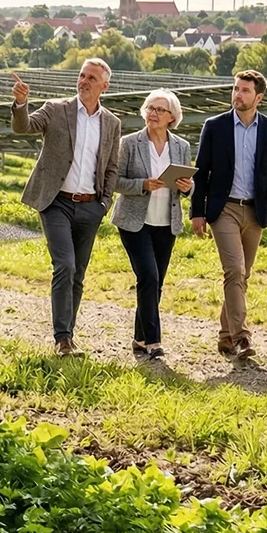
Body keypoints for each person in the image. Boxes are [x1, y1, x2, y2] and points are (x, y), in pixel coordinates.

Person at [10, 58, 122, 356]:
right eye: (82, 75)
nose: (84, 81)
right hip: (56, 202)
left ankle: (68, 336)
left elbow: (111, 167)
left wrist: (104, 203)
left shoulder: (111, 123)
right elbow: (25, 127)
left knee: (79, 273)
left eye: (91, 78)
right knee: (65, 265)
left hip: (90, 207)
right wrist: (21, 104)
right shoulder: (55, 108)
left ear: (104, 86)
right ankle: (62, 338)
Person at [189, 70, 267, 360]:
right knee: (234, 270)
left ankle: (224, 337)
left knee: (242, 275)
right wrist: (198, 212)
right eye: (235, 89)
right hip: (224, 209)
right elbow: (201, 171)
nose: (237, 95)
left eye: (245, 91)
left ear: (258, 97)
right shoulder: (215, 126)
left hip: (255, 211)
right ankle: (242, 337)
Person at [111, 89, 193, 360]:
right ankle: (154, 341)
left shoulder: (181, 146)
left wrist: (187, 186)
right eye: (150, 108)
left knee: (154, 283)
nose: (153, 113)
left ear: (172, 117)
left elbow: (186, 186)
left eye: (160, 110)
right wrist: (142, 185)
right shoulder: (129, 143)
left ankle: (139, 337)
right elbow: (114, 181)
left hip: (166, 221)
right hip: (134, 220)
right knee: (148, 275)